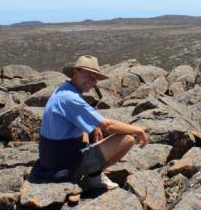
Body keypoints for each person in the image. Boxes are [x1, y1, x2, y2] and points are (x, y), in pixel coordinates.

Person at [32, 55, 148, 189]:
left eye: (95, 78)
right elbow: (108, 126)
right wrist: (138, 130)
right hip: (63, 166)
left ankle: (91, 170)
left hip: (52, 160)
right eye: (88, 75)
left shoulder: (64, 90)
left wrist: (95, 129)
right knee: (127, 138)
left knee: (95, 130)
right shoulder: (70, 98)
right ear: (76, 72)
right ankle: (94, 176)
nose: (92, 81)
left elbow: (83, 121)